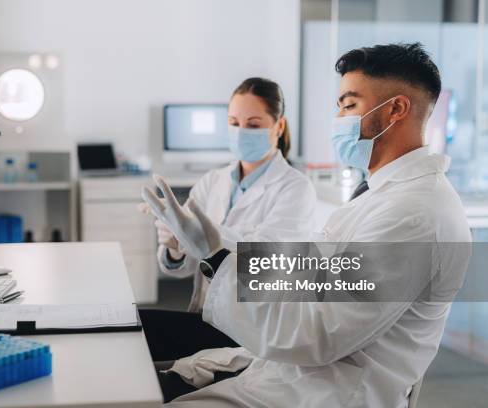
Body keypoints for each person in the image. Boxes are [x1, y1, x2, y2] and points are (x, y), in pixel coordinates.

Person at [142, 43, 471, 407]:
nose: (338, 118)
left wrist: (216, 254)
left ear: (395, 109)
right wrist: (199, 250)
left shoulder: (415, 215)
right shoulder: (381, 196)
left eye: (349, 105)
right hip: (291, 364)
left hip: (326, 392)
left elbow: (318, 334)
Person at [138, 78, 316, 401]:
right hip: (207, 315)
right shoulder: (214, 181)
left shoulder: (295, 189)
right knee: (132, 329)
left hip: (249, 329)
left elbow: (265, 266)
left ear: (279, 126)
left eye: (253, 124)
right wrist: (175, 247)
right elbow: (178, 270)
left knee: (145, 353)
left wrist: (209, 239)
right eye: (234, 123)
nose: (241, 131)